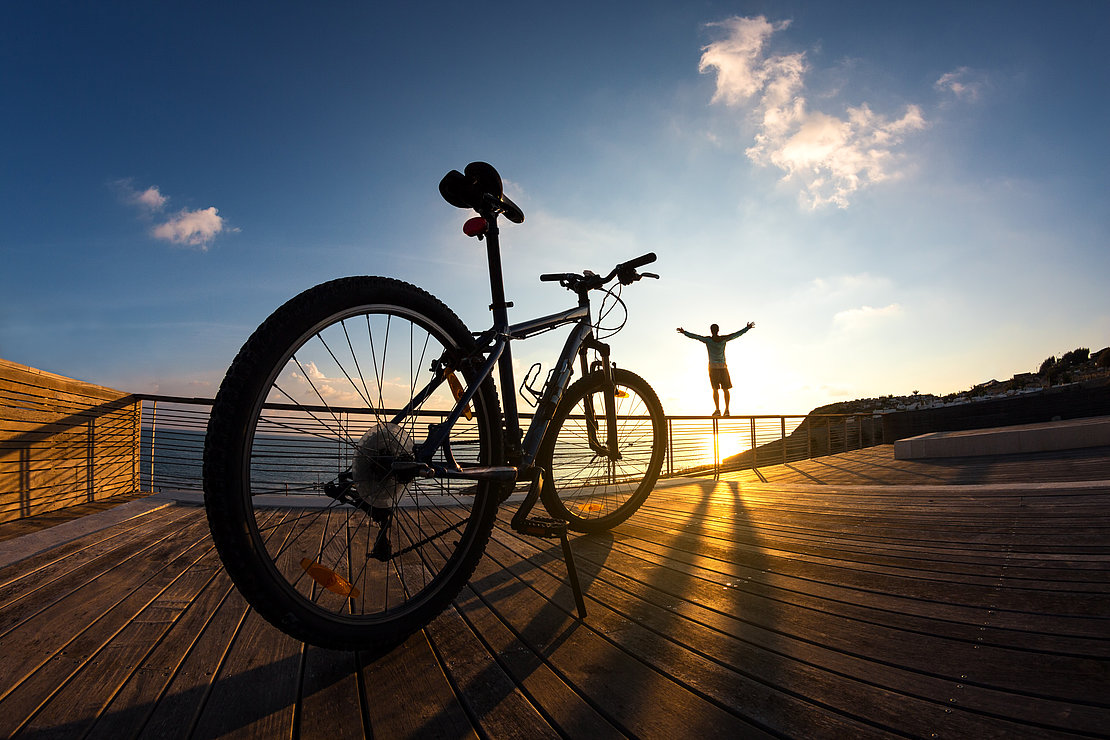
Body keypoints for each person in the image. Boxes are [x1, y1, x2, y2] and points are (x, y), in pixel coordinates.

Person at [676, 322, 755, 416]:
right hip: (723, 367)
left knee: (715, 389)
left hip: (713, 368)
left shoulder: (708, 340)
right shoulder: (723, 339)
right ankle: (727, 410)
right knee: (726, 389)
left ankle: (717, 410)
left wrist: (684, 332)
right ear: (718, 330)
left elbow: (695, 337)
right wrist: (747, 328)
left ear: (711, 331)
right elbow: (736, 334)